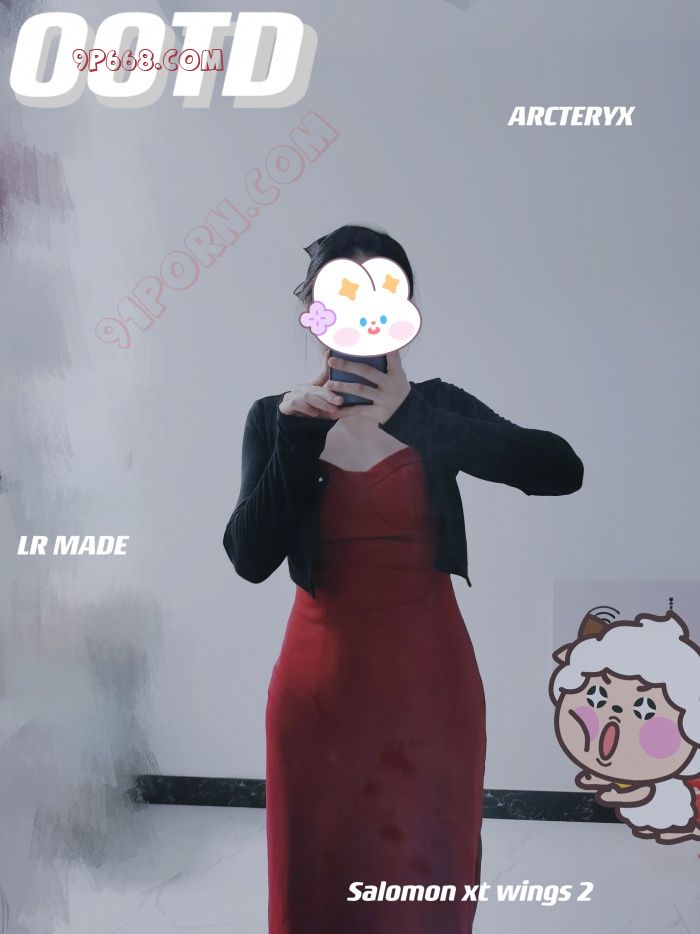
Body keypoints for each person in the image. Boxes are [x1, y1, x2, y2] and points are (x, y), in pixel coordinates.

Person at [222, 224, 584, 934]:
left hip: (430, 690)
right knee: (316, 885)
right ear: (311, 310)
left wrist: (417, 416)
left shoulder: (437, 406)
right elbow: (248, 558)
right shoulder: (275, 417)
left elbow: (559, 469)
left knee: (426, 883)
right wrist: (295, 441)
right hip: (318, 692)